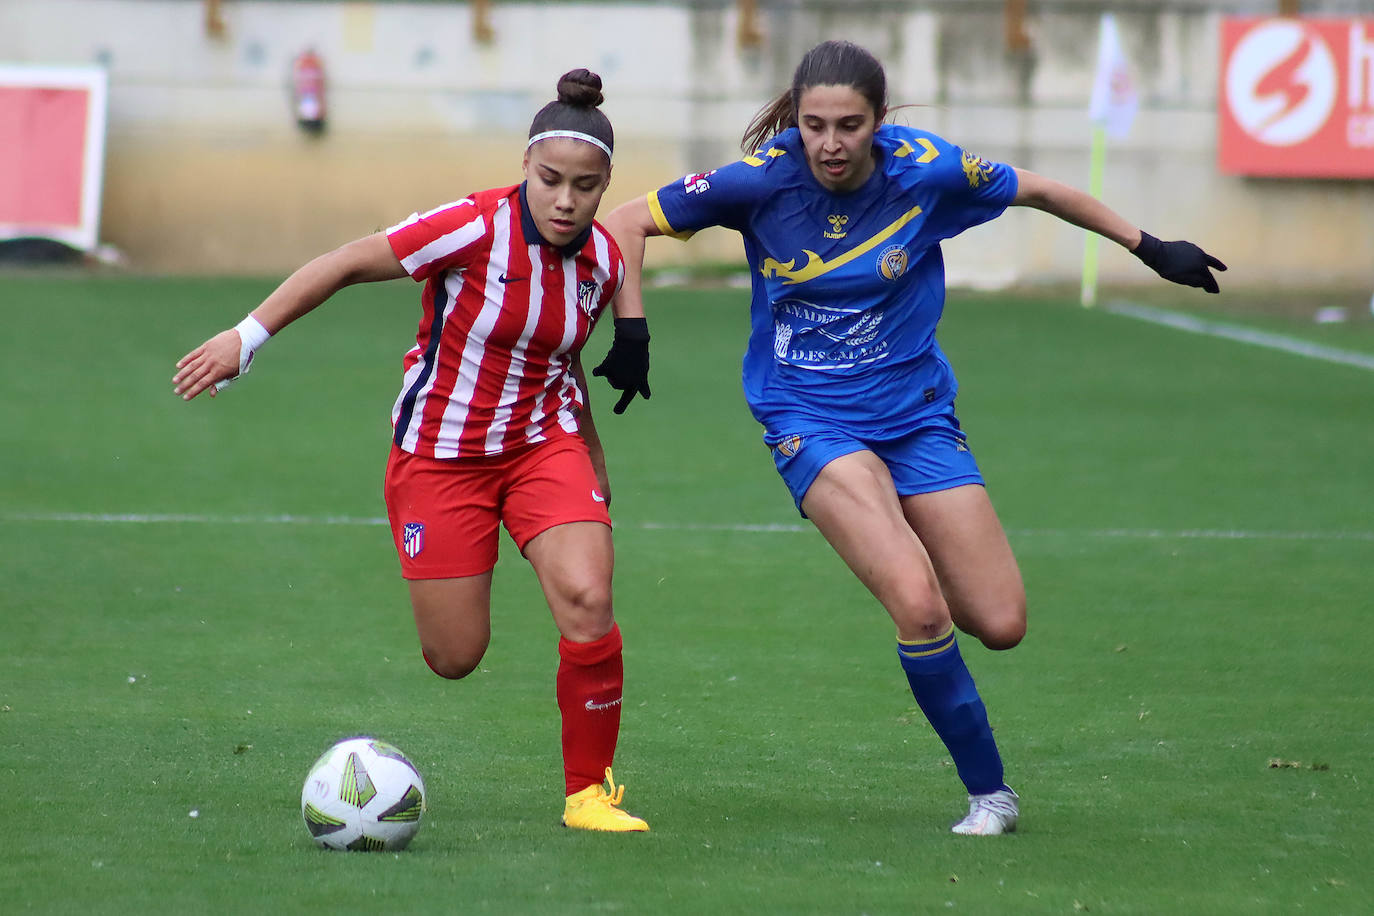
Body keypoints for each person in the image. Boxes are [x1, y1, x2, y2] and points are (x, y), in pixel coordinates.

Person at [593, 40, 1225, 836]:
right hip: (809, 418)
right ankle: (991, 795)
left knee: (999, 623)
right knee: (919, 605)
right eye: (814, 124)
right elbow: (624, 222)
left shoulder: (926, 170)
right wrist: (634, 330)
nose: (829, 143)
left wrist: (1149, 246)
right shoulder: (760, 179)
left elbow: (1043, 190)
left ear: (878, 123)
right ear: (796, 116)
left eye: (849, 126)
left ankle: (917, 581)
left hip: (918, 414)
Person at [173, 70, 650, 833]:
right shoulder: (472, 226)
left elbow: (556, 360)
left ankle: (588, 794)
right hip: (440, 457)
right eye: (551, 179)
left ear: (605, 187)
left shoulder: (600, 262)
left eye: (585, 187)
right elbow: (344, 263)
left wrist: (589, 451)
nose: (565, 200)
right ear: (525, 166)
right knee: (454, 656)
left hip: (541, 446)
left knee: (590, 600)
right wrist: (246, 338)